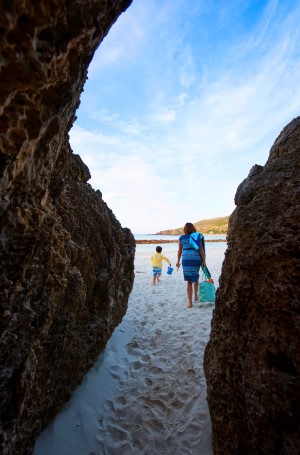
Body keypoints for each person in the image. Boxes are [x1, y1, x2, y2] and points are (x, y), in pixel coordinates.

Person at [176, 222, 206, 308]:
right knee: (195, 278)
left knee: (189, 281)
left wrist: (178, 262)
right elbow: (201, 249)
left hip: (186, 259)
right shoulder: (197, 236)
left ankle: (190, 303)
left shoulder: (181, 238)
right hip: (196, 258)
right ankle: (195, 296)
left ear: (185, 229)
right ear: (193, 228)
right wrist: (204, 261)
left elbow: (179, 251)